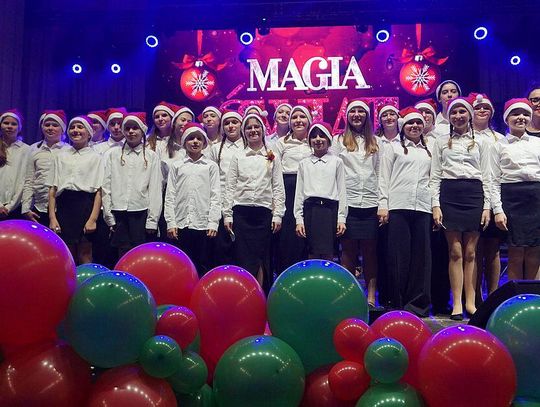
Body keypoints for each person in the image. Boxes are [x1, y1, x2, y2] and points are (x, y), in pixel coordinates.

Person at [430, 97, 491, 320]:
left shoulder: (482, 142)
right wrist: (436, 205)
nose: (458, 116)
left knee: (471, 252)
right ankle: (456, 302)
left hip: (474, 194)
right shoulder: (440, 141)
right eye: (454, 112)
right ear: (449, 116)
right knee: (455, 252)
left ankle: (471, 303)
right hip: (449, 194)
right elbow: (435, 176)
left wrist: (487, 206)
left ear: (469, 115)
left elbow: (488, 176)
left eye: (462, 112)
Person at [378, 107, 432, 316]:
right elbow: (384, 177)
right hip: (398, 205)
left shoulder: (430, 149)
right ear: (403, 126)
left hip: (423, 206)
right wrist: (383, 204)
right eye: (410, 123)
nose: (415, 126)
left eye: (418, 123)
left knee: (421, 258)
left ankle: (418, 304)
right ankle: (397, 301)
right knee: (398, 257)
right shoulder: (393, 148)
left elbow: (434, 178)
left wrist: (435, 206)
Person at [224, 113, 285, 292]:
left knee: (261, 258)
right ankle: (245, 295)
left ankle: (259, 295)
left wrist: (278, 215)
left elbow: (277, 187)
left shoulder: (272, 155)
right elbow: (230, 186)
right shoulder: (238, 156)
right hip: (241, 213)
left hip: (264, 213)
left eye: (256, 126)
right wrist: (227, 215)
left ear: (263, 130)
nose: (253, 130)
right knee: (243, 258)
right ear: (244, 131)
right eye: (249, 127)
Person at [331, 99, 380, 307]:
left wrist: (382, 204)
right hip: (348, 203)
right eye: (353, 111)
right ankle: (348, 296)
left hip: (370, 202)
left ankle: (370, 297)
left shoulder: (377, 142)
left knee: (370, 252)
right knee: (348, 252)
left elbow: (380, 173)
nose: (357, 115)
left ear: (367, 116)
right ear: (347, 116)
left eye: (361, 111)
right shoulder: (338, 141)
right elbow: (333, 172)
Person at [491, 99, 540, 280]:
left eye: (525, 114)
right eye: (515, 114)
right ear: (506, 118)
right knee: (516, 253)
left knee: (535, 252)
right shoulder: (498, 145)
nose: (521, 117)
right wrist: (498, 210)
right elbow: (493, 180)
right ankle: (516, 294)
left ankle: (534, 295)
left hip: (536, 198)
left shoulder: (537, 143)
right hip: (512, 200)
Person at [101, 112, 162, 257]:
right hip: (118, 211)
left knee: (141, 253)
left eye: (135, 128)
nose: (131, 131)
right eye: (127, 128)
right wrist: (108, 215)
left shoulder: (151, 156)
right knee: (121, 252)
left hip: (140, 211)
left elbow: (155, 189)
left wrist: (152, 220)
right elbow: (106, 185)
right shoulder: (113, 154)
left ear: (142, 131)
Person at [165, 123, 220, 276]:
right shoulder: (177, 166)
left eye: (199, 138)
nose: (195, 141)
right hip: (181, 223)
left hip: (203, 224)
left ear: (204, 142)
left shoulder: (211, 166)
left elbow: (215, 195)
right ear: (184, 142)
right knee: (181, 265)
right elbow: (170, 195)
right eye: (191, 138)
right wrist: (171, 222)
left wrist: (213, 222)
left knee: (202, 264)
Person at [48, 116, 103, 264]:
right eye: (72, 127)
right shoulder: (61, 156)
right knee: (67, 252)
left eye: (80, 127)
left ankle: (86, 279)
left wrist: (92, 219)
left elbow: (99, 191)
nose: (75, 130)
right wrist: (52, 218)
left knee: (85, 252)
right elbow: (53, 188)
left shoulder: (96, 157)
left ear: (89, 132)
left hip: (85, 205)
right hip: (65, 205)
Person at [469, 93, 505, 301]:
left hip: (496, 197)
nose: (482, 111)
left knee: (493, 248)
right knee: (474, 249)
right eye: (477, 108)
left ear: (492, 112)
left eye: (486, 108)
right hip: (474, 198)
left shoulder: (500, 138)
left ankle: (493, 296)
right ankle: (475, 298)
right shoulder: (466, 137)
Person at [294, 122, 347, 260]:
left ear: (329, 139)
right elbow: (299, 194)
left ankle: (327, 274)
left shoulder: (337, 162)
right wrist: (299, 219)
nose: (318, 139)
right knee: (312, 252)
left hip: (329, 211)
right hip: (311, 210)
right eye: (314, 136)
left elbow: (342, 191)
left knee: (329, 252)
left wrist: (341, 218)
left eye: (322, 136)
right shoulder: (304, 163)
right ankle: (314, 274)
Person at [274, 105, 313, 273]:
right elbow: (274, 171)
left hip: (310, 190)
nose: (298, 120)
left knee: (308, 234)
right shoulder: (281, 143)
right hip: (288, 190)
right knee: (288, 237)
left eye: (302, 117)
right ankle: (287, 275)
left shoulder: (315, 140)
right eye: (294, 117)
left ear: (309, 120)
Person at [208, 110, 245, 267]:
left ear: (241, 125)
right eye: (227, 123)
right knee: (222, 247)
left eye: (234, 122)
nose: (230, 126)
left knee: (241, 248)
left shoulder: (248, 145)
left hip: (242, 202)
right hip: (222, 202)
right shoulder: (216, 148)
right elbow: (212, 177)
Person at [22, 110, 68, 226]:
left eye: (55, 125)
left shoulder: (68, 150)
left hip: (62, 208)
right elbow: (29, 180)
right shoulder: (33, 149)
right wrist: (26, 208)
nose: (50, 128)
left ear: (62, 129)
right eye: (47, 125)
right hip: (38, 207)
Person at [374, 103, 399, 306]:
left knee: (395, 250)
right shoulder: (375, 141)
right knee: (380, 249)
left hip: (398, 201)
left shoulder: (404, 141)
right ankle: (383, 294)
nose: (389, 117)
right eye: (385, 115)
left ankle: (395, 293)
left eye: (392, 114)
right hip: (378, 200)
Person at [0, 109, 31, 220]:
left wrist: (10, 206)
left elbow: (24, 180)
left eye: (13, 124)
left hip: (15, 207)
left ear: (19, 127)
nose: (9, 126)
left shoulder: (27, 150)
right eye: (6, 123)